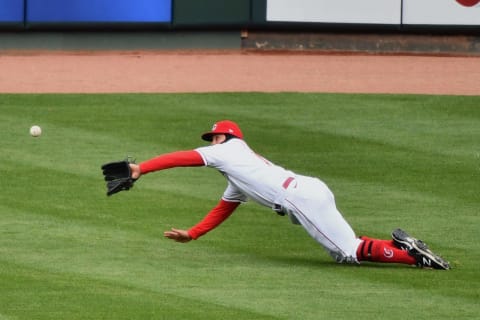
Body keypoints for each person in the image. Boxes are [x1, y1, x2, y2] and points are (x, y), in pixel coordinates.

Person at [129, 120, 450, 270]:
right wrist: (194, 234)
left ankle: (414, 257)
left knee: (348, 252)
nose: (210, 142)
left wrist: (140, 168)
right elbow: (224, 207)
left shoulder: (228, 151)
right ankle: (402, 247)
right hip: (309, 189)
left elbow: (181, 158)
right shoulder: (238, 171)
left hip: (300, 198)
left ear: (227, 136)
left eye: (213, 137)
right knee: (344, 245)